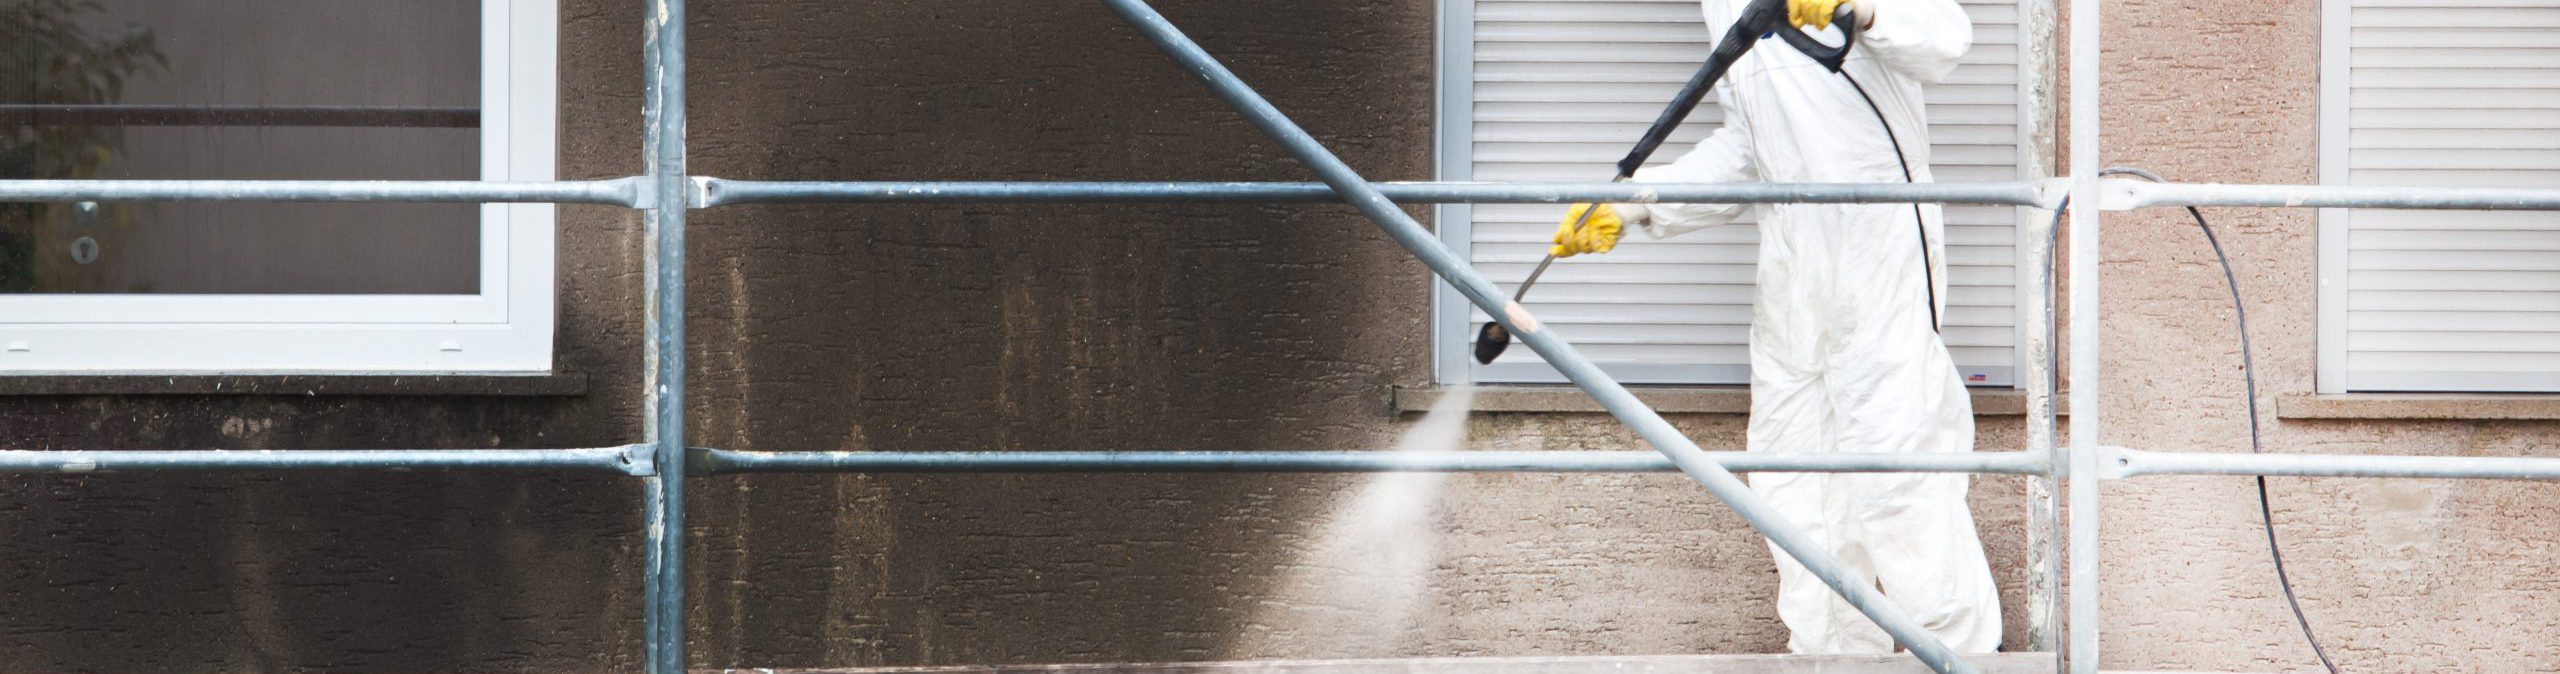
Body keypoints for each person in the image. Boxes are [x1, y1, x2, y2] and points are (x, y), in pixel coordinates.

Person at [1546, 0, 2000, 655]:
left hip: (1878, 235)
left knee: (1899, 477)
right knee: (1795, 484)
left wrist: (1862, 8)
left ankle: (1962, 659)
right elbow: (1751, 147)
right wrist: (1640, 204)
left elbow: (1946, 38)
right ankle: (1833, 658)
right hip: (1791, 254)